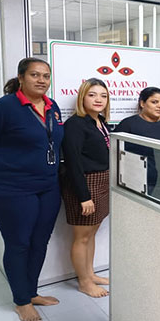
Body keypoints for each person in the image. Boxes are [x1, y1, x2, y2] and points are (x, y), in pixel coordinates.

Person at [0, 57, 64, 321]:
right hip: (10, 187)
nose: (41, 80)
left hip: (47, 186)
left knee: (39, 241)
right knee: (19, 243)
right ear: (21, 78)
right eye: (34, 75)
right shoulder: (2, 108)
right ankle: (21, 301)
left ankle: (31, 292)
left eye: (46, 76)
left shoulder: (52, 107)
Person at [61, 78, 111, 298]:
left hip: (102, 181)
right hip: (84, 184)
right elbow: (73, 162)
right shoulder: (75, 124)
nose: (98, 99)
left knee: (91, 233)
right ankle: (84, 282)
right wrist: (83, 196)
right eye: (92, 95)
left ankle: (90, 274)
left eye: (103, 95)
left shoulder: (100, 121)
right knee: (82, 237)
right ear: (82, 97)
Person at [114, 87, 160, 200]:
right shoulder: (128, 124)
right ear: (142, 103)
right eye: (154, 102)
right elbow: (114, 153)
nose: (159, 106)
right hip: (135, 182)